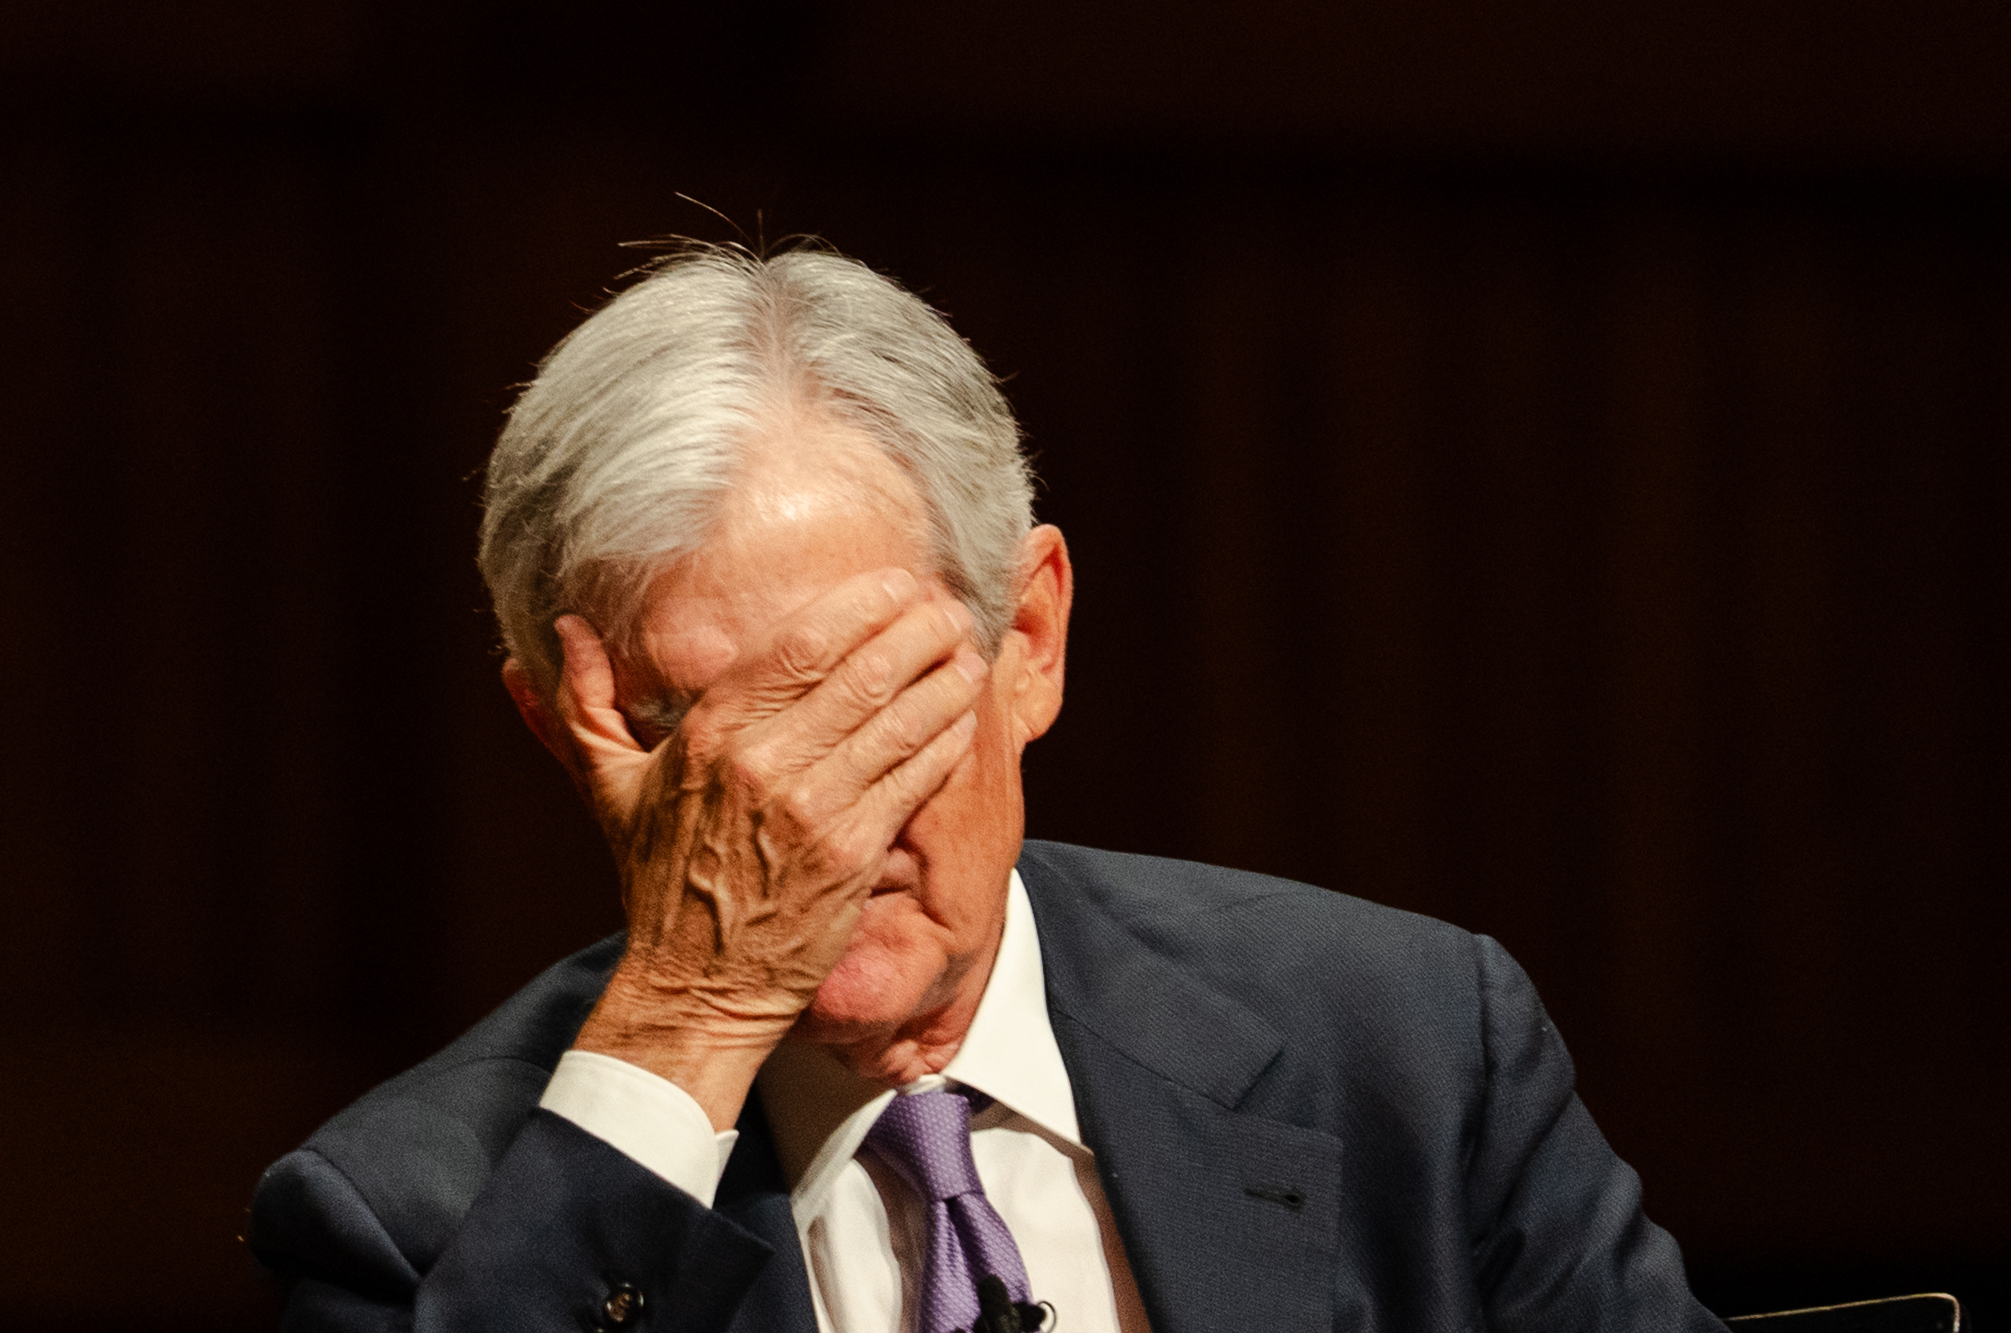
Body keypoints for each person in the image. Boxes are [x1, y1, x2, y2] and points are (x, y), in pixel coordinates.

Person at [246, 242, 1725, 1333]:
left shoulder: (1410, 1051)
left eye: (864, 707)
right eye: (709, 743)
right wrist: (693, 1014)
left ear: (1028, 637)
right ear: (565, 738)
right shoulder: (404, 1218)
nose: (805, 819)